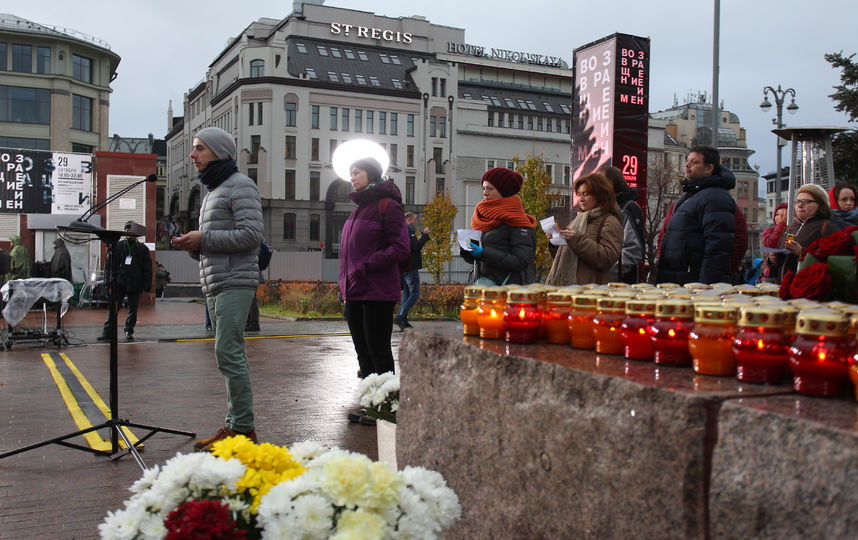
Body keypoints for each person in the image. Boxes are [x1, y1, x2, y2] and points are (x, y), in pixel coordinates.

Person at [172, 126, 263, 451]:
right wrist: (194, 246)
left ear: (219, 152)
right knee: (226, 353)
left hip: (234, 281)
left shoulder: (240, 186)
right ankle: (235, 425)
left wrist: (204, 239)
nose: (193, 155)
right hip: (217, 280)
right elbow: (218, 241)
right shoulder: (214, 191)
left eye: (199, 148)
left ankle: (242, 430)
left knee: (229, 352)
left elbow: (252, 235)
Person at [339, 156, 409, 425]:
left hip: (377, 289)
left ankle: (387, 408)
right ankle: (370, 404)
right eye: (351, 173)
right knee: (363, 352)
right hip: (354, 290)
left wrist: (367, 266)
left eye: (357, 173)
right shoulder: (357, 209)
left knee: (378, 350)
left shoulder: (387, 206)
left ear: (371, 175)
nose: (353, 177)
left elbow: (400, 247)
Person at [655, 146, 736, 285]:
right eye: (687, 161)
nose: (687, 165)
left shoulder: (715, 198)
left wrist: (705, 288)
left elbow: (717, 249)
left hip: (693, 285)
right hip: (678, 280)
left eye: (694, 162)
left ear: (708, 168)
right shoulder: (690, 196)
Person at [460, 168, 537, 286]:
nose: (485, 193)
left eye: (490, 189)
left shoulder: (519, 222)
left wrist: (483, 253)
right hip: (485, 288)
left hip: (509, 291)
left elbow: (521, 261)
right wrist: (468, 251)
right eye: (484, 188)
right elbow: (483, 261)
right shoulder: (484, 217)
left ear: (504, 191)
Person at [545, 172, 623, 286]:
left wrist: (577, 240)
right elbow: (564, 257)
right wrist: (555, 243)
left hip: (590, 291)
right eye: (579, 194)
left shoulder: (610, 221)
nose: (581, 199)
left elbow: (607, 258)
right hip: (568, 290)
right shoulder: (577, 220)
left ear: (599, 195)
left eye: (585, 194)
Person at [97, 221, 152, 341]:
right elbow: (109, 266)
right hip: (120, 282)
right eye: (127, 231)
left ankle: (129, 330)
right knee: (113, 308)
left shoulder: (142, 249)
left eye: (131, 231)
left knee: (133, 309)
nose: (129, 234)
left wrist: (147, 285)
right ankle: (107, 332)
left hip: (135, 283)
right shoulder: (118, 246)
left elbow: (147, 268)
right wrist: (107, 282)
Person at [778, 184, 842, 281]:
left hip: (809, 287)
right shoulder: (790, 227)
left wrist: (802, 252)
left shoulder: (828, 227)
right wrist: (772, 259)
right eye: (798, 201)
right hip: (784, 286)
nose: (799, 205)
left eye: (806, 202)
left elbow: (835, 261)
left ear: (820, 205)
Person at [601, 166, 645, 284]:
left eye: (600, 182)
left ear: (610, 185)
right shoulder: (603, 208)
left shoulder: (629, 208)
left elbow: (633, 250)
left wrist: (606, 274)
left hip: (621, 285)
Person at [393, 212, 430, 331]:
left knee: (407, 293)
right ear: (408, 220)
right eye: (414, 219)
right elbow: (417, 247)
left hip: (406, 266)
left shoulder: (403, 231)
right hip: (411, 267)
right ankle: (399, 316)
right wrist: (425, 235)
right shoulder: (409, 231)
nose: (415, 221)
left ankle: (403, 319)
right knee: (414, 294)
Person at [759, 202, 788, 283]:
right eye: (777, 215)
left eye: (783, 215)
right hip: (771, 275)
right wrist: (781, 225)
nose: (779, 218)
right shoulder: (769, 230)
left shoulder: (793, 230)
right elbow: (771, 244)